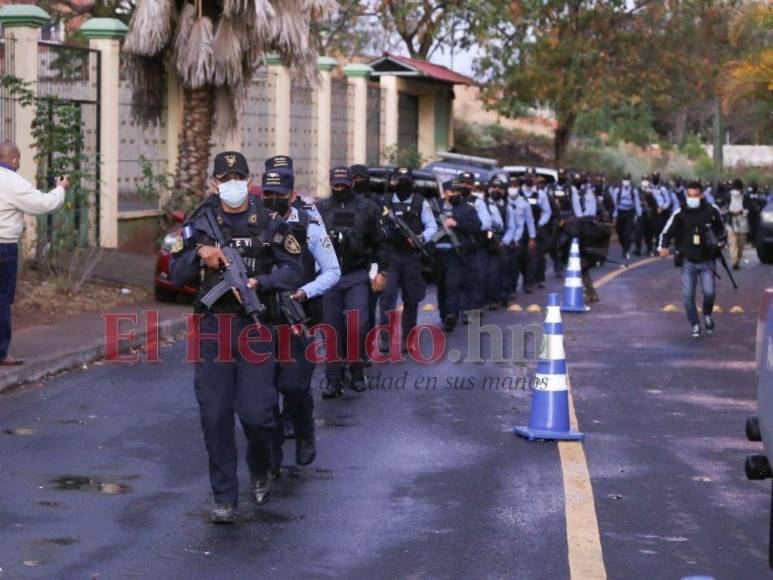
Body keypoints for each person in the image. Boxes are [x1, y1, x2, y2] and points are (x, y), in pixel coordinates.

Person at [170, 152, 305, 523]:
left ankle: (261, 466)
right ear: (215, 184)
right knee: (215, 415)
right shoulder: (199, 222)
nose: (232, 184)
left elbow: (295, 269)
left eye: (238, 177)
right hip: (214, 327)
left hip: (255, 327)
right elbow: (176, 273)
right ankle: (225, 497)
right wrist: (200, 254)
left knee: (258, 414)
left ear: (249, 181)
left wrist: (261, 282)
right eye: (225, 178)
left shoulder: (269, 221)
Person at [262, 165, 340, 474]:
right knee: (263, 389)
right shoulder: (254, 222)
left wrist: (305, 292)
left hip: (297, 315)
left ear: (292, 195)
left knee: (293, 385)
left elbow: (332, 270)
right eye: (267, 194)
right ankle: (272, 451)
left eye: (278, 195)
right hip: (260, 317)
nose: (272, 199)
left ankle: (304, 429)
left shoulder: (309, 222)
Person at [317, 167, 388, 398]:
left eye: (344, 185)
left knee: (357, 325)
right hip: (329, 276)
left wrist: (381, 271)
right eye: (336, 185)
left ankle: (356, 370)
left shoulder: (368, 208)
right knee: (332, 329)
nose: (340, 189)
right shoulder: (320, 209)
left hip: (356, 274)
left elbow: (380, 243)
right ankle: (333, 380)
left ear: (351, 185)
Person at [0, 140, 68, 366]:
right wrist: (60, 188)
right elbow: (44, 204)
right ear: (15, 159)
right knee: (2, 300)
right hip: (4, 246)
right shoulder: (13, 182)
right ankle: (1, 353)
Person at [657, 181, 726, 338]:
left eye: (695, 195)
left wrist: (720, 243)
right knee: (688, 295)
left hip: (707, 259)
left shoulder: (712, 210)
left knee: (709, 292)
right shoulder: (680, 212)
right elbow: (666, 232)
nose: (692, 198)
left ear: (701, 195)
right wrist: (663, 247)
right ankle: (695, 323)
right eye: (689, 195)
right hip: (687, 260)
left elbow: (721, 231)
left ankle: (707, 314)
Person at [379, 167, 437, 346]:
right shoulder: (385, 201)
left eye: (405, 181)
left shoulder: (420, 202)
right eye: (398, 180)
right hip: (390, 255)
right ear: (392, 182)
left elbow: (432, 226)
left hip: (411, 255)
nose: (401, 184)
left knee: (411, 297)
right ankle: (386, 338)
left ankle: (408, 336)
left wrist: (420, 238)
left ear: (412, 183)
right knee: (387, 296)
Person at [434, 180, 482, 331]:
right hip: (437, 252)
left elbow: (476, 227)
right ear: (445, 192)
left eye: (457, 191)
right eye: (452, 191)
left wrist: (457, 223)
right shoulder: (435, 206)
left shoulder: (467, 208)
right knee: (441, 286)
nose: (455, 194)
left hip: (455, 253)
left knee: (453, 284)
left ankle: (451, 315)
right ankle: (444, 315)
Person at [522, 174, 552, 289]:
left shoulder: (540, 194)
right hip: (521, 228)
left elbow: (547, 211)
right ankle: (527, 280)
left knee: (537, 255)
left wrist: (540, 224)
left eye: (532, 177)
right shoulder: (519, 192)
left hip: (536, 227)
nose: (529, 179)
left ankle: (536, 280)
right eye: (527, 176)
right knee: (522, 257)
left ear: (535, 179)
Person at [610, 174, 641, 259]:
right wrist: (614, 215)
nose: (626, 181)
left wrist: (639, 215)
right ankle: (624, 247)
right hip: (620, 212)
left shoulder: (633, 191)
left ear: (630, 181)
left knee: (627, 233)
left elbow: (637, 203)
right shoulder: (617, 190)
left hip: (630, 213)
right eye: (624, 179)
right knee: (620, 232)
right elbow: (614, 204)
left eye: (627, 179)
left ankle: (626, 250)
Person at [725, 179, 751, 270]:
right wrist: (730, 213)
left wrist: (741, 212)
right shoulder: (728, 196)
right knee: (733, 242)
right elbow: (724, 208)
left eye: (738, 189)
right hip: (731, 223)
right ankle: (734, 261)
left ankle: (738, 258)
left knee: (740, 244)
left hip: (742, 223)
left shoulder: (746, 197)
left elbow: (749, 209)